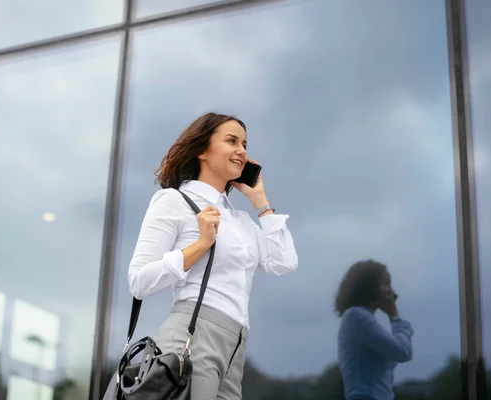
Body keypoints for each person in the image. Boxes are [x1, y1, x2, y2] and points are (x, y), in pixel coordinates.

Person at [127, 112, 299, 399]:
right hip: (193, 337)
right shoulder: (175, 201)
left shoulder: (241, 221)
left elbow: (284, 262)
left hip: (235, 346)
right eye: (231, 141)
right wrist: (201, 244)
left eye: (244, 144)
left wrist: (260, 201)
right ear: (202, 150)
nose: (242, 151)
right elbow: (139, 282)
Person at [335, 259, 414, 400]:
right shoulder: (357, 316)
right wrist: (394, 314)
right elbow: (403, 351)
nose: (391, 290)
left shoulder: (360, 317)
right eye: (386, 284)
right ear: (369, 286)